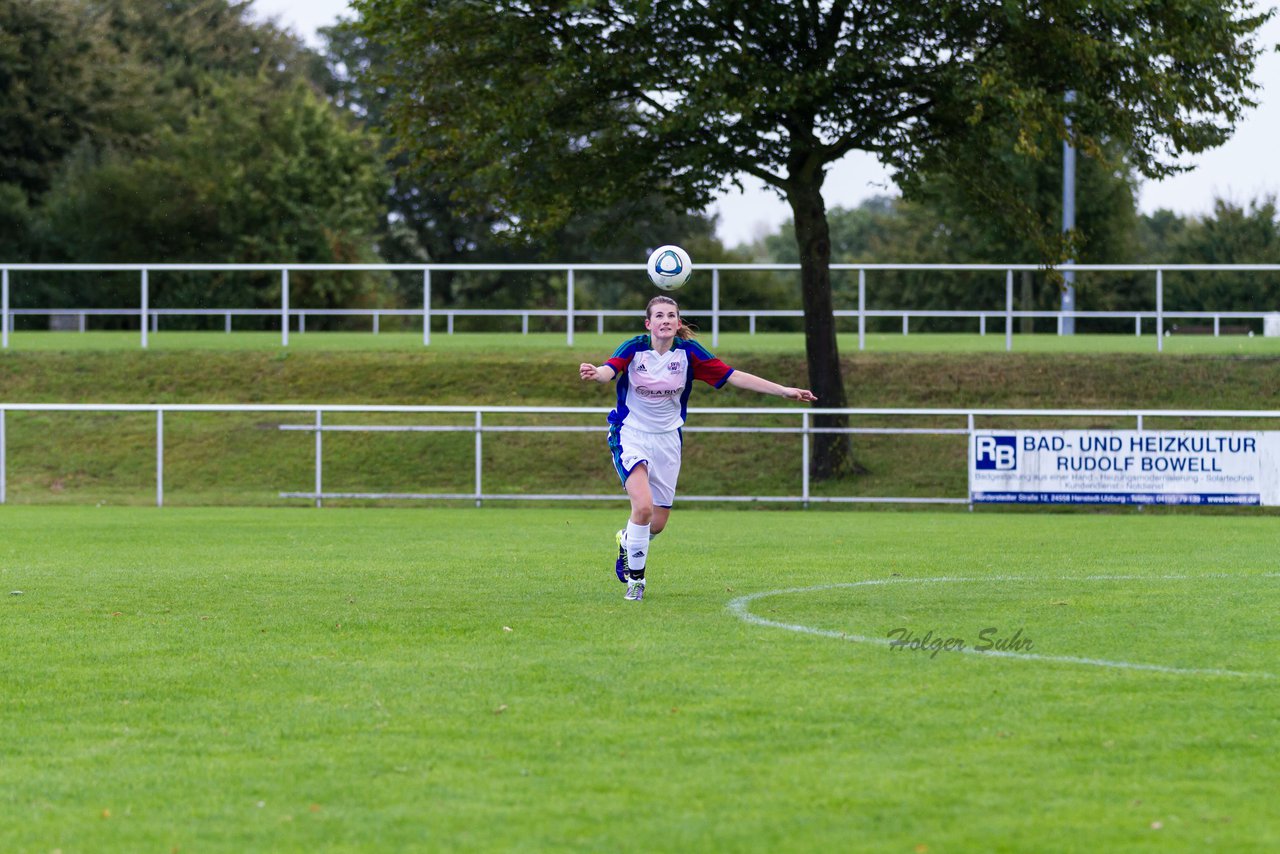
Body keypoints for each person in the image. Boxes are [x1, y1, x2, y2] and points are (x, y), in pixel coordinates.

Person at [579, 294, 817, 601]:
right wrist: (596, 373)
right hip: (630, 434)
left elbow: (734, 376)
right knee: (643, 507)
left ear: (678, 323)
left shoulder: (689, 353)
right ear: (648, 323)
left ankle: (629, 541)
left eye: (671, 315)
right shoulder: (635, 348)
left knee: (657, 524)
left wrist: (783, 390)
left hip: (668, 440)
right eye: (659, 315)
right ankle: (636, 583)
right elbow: (610, 369)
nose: (666, 320)